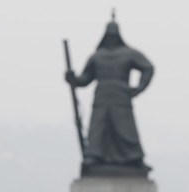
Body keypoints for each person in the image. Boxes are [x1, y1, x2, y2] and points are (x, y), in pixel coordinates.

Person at [65, 15, 154, 169]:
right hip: (102, 97)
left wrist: (139, 88)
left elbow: (148, 68)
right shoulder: (97, 56)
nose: (112, 38)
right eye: (109, 35)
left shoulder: (129, 53)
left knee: (125, 128)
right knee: (99, 127)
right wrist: (73, 79)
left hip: (121, 97)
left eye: (114, 35)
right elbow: (85, 79)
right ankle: (94, 156)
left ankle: (134, 158)